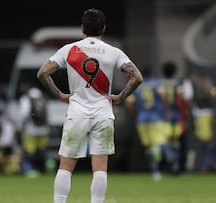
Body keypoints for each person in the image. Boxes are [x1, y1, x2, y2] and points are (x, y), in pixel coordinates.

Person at [37, 8, 143, 203]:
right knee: (100, 167)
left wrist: (59, 94)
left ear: (82, 28)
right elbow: (137, 77)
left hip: (77, 113)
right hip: (103, 114)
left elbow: (42, 73)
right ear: (104, 28)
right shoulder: (113, 51)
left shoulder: (69, 50)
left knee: (66, 166)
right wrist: (120, 96)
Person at [125, 67, 172, 181]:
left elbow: (129, 104)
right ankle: (169, 162)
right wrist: (167, 111)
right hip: (156, 118)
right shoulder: (157, 83)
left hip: (142, 119)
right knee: (162, 143)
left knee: (148, 147)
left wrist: (135, 113)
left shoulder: (136, 85)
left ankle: (155, 173)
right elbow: (164, 96)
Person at [160, 61, 192, 173]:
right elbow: (182, 98)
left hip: (164, 116)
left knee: (166, 140)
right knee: (177, 140)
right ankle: (176, 164)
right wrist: (188, 111)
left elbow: (161, 98)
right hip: (177, 114)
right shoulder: (178, 84)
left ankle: (169, 163)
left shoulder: (161, 84)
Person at [190, 73, 216, 172]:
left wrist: (208, 88)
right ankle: (214, 163)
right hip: (203, 114)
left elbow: (213, 93)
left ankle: (214, 163)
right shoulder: (200, 85)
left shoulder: (203, 85)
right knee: (205, 140)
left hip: (204, 114)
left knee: (207, 140)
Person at [19, 85, 54, 178]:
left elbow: (24, 113)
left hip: (31, 129)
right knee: (42, 150)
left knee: (29, 151)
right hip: (43, 129)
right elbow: (48, 114)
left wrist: (22, 125)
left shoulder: (26, 99)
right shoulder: (43, 98)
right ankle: (48, 168)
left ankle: (29, 170)